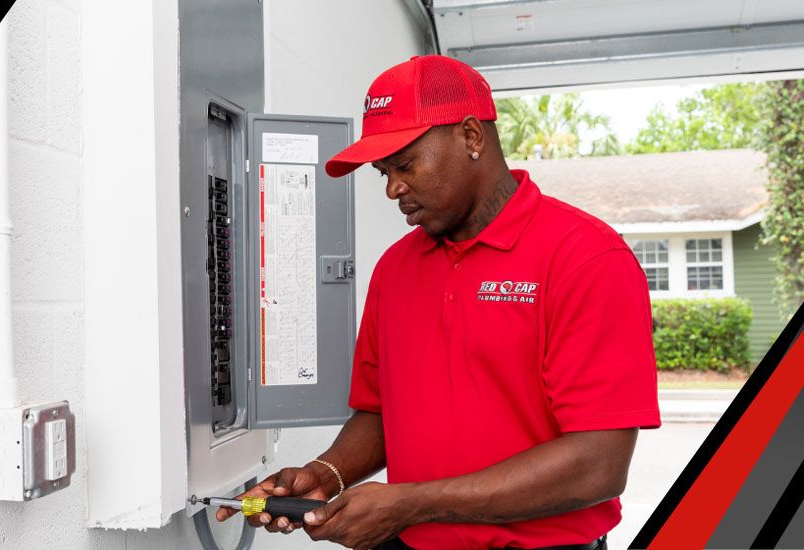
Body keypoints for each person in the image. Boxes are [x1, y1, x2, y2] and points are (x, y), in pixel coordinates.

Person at [215, 55, 660, 550]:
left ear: (471, 137)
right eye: (383, 171)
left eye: (405, 164)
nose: (392, 188)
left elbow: (597, 465)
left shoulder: (584, 258)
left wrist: (411, 503)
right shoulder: (395, 269)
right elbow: (382, 413)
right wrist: (326, 475)